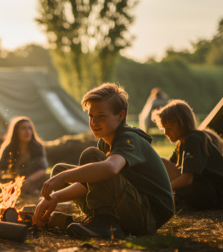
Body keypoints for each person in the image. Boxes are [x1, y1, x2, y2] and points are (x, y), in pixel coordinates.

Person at [33, 83, 175, 239]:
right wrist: (56, 197)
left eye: (101, 116)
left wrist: (64, 177)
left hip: (149, 216)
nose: (94, 121)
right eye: (91, 116)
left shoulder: (129, 138)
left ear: (120, 115)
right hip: (133, 206)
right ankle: (102, 219)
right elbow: (91, 182)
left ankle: (106, 223)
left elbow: (110, 168)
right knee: (61, 169)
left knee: (90, 158)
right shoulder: (105, 141)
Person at [152, 99, 223, 210]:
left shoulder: (194, 139)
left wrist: (163, 189)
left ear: (182, 124)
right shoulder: (182, 142)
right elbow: (169, 166)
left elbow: (187, 179)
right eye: (163, 129)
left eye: (169, 129)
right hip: (204, 189)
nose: (165, 133)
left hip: (213, 195)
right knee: (161, 162)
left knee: (161, 162)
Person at [0, 116, 48, 195]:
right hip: (14, 182)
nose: (27, 132)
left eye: (29, 128)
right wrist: (12, 180)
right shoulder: (9, 148)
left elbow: (42, 170)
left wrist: (28, 180)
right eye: (23, 128)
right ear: (16, 132)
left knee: (49, 178)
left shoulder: (37, 147)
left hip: (33, 180)